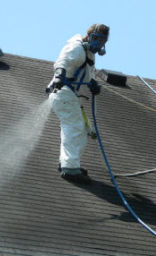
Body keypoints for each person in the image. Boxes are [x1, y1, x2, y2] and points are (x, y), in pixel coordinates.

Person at [46, 24, 109, 184]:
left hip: (69, 95)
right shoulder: (76, 47)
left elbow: (87, 74)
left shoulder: (89, 55)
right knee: (74, 128)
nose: (98, 44)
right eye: (96, 39)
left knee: (78, 129)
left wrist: (93, 83)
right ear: (89, 36)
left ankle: (68, 162)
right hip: (62, 91)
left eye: (102, 41)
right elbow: (63, 62)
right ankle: (70, 168)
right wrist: (59, 76)